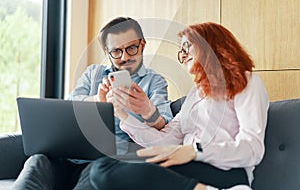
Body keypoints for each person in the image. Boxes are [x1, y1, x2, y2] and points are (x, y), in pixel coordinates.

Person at [89, 22, 269, 190]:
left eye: (187, 47)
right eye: (180, 51)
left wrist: (194, 151)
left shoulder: (247, 81)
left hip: (226, 171)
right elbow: (167, 140)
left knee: (103, 171)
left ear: (210, 45)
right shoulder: (195, 94)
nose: (182, 55)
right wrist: (121, 113)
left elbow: (252, 148)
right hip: (187, 164)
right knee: (103, 167)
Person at [12, 17, 173, 190]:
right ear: (107, 52)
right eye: (116, 51)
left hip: (107, 162)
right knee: (38, 160)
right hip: (68, 157)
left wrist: (148, 111)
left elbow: (165, 129)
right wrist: (98, 100)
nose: (125, 57)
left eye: (131, 48)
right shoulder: (93, 74)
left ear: (143, 45)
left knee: (95, 174)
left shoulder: (154, 82)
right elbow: (69, 106)